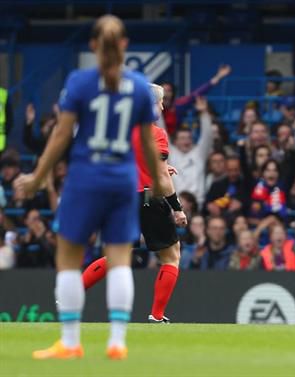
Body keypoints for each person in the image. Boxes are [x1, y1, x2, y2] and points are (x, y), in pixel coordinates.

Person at [14, 15, 160, 360]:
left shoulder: (80, 83)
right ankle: (117, 341)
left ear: (93, 45)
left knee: (69, 259)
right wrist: (155, 182)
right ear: (124, 45)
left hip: (85, 179)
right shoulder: (140, 86)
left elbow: (62, 134)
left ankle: (70, 340)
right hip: (123, 181)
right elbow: (149, 145)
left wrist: (37, 176)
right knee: (121, 259)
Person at [80, 83, 187, 324]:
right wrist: (177, 208)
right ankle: (156, 315)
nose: (162, 106)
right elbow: (160, 178)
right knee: (170, 257)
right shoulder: (156, 133)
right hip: (149, 196)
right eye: (160, 102)